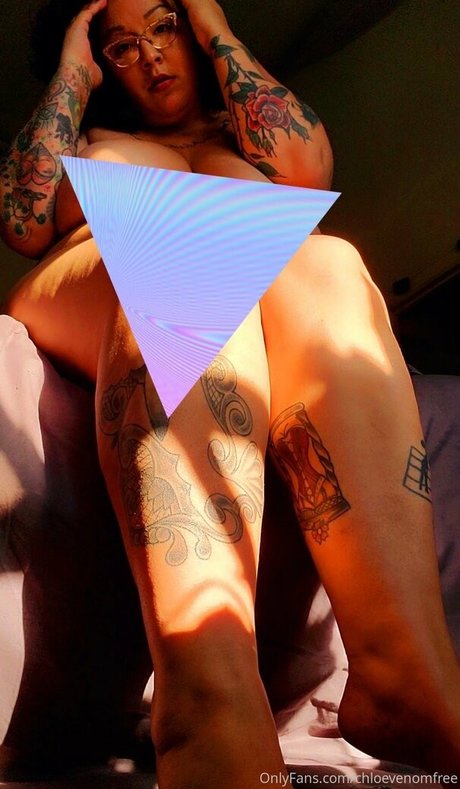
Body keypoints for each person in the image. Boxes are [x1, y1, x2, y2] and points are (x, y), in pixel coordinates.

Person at [1, 0, 459, 785]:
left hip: (263, 281)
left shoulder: (238, 130)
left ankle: (405, 678)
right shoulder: (89, 141)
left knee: (331, 261)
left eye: (163, 26)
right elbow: (22, 218)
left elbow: (308, 170)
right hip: (103, 270)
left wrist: (211, 21)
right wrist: (74, 61)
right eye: (123, 46)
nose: (151, 54)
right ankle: (207, 705)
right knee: (183, 245)